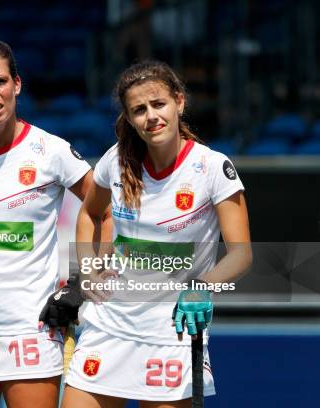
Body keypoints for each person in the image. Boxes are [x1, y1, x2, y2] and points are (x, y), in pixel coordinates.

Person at [62, 60, 252, 408]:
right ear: (130, 118)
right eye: (139, 110)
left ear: (179, 102)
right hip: (109, 324)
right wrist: (87, 270)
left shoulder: (213, 168)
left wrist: (202, 286)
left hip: (172, 331)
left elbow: (241, 254)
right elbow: (90, 213)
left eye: (158, 104)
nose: (151, 116)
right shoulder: (116, 160)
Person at [0, 37, 106, 408]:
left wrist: (82, 282)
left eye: (0, 82)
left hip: (32, 329)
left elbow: (104, 212)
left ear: (17, 84)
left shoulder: (51, 151)